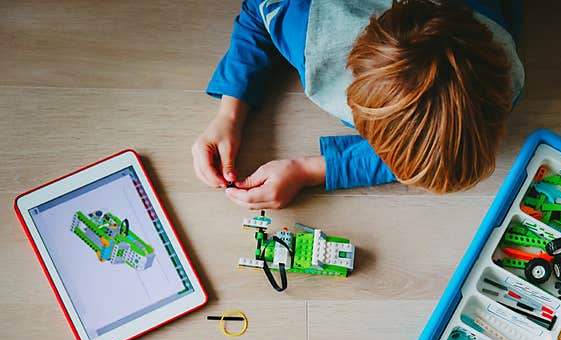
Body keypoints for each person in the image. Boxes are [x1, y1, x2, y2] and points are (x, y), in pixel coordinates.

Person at [192, 0, 524, 210]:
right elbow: (256, 12)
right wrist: (230, 112)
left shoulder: (501, 79)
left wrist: (310, 170)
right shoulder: (305, 24)